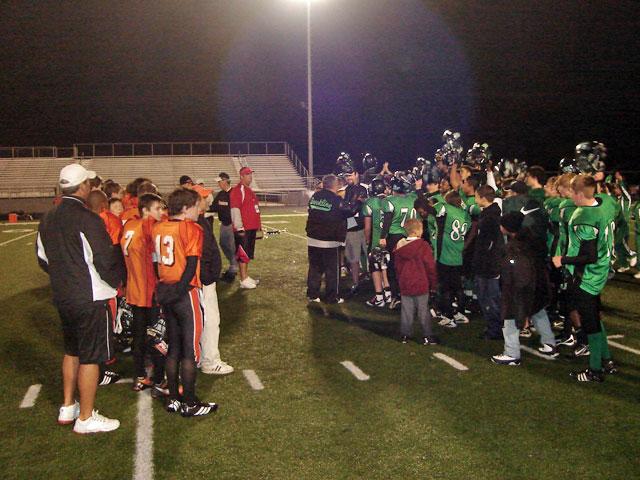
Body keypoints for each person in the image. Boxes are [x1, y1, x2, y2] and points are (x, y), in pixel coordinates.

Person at [36, 163, 122, 434]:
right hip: (89, 296)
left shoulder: (48, 217)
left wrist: (65, 277)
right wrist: (116, 282)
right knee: (90, 356)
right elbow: (104, 260)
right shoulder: (88, 219)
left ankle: (67, 406)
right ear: (83, 186)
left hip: (64, 295)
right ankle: (85, 417)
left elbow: (43, 258)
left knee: (71, 350)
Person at [153, 188, 218, 416]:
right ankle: (190, 403)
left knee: (174, 348)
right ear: (184, 208)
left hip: (166, 289)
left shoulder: (158, 227)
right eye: (194, 207)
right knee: (189, 350)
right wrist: (180, 290)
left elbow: (155, 262)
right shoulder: (191, 229)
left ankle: (174, 398)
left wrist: (167, 289)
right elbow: (191, 265)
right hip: (185, 292)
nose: (197, 211)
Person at [552, 175, 617, 382]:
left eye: (573, 193)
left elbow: (589, 256)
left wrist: (562, 259)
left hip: (587, 275)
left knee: (591, 324)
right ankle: (607, 360)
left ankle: (595, 370)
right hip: (601, 271)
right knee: (595, 317)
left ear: (579, 194)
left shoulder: (583, 215)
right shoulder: (606, 204)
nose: (570, 197)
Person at [491, 212, 558, 365]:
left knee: (510, 318)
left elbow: (518, 276)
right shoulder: (533, 238)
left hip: (522, 288)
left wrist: (521, 308)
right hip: (539, 284)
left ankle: (512, 353)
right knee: (538, 311)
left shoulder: (515, 248)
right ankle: (549, 343)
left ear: (508, 228)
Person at [121, 193, 168, 395]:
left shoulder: (129, 225)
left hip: (134, 289)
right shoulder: (149, 225)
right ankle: (158, 379)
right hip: (149, 290)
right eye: (157, 208)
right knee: (157, 336)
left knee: (139, 337)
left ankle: (140, 376)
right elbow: (157, 259)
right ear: (145, 210)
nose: (161, 212)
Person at [196, 195, 233, 375]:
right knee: (210, 320)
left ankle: (201, 356)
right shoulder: (197, 224)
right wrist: (208, 277)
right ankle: (209, 361)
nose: (209, 199)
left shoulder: (199, 221)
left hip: (201, 281)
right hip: (203, 281)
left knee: (204, 320)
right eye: (204, 197)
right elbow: (202, 255)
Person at [305, 174, 351, 304]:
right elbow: (348, 211)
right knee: (332, 271)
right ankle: (332, 297)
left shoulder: (315, 196)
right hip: (329, 240)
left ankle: (312, 294)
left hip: (313, 238)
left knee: (314, 268)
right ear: (334, 185)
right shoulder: (336, 199)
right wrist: (359, 202)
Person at [394, 219, 439, 345]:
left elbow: (396, 267)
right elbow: (430, 266)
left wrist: (400, 280)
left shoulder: (400, 245)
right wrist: (433, 283)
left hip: (405, 282)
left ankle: (405, 335)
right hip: (421, 282)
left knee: (406, 310)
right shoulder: (423, 246)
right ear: (418, 231)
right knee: (423, 310)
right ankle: (427, 336)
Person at [432, 190, 471, 328]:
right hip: (458, 254)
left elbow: (430, 210)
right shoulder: (465, 214)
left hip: (445, 255)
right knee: (457, 286)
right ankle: (460, 313)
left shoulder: (445, 208)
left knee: (445, 287)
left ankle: (448, 316)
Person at [473, 185, 505, 340]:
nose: (475, 199)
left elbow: (492, 244)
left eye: (476, 196)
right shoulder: (488, 214)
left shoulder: (491, 217)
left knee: (491, 298)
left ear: (483, 198)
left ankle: (496, 329)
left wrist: (486, 260)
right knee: (486, 297)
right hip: (486, 263)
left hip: (489, 265)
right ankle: (493, 327)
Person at [230, 166, 262, 289]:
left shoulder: (248, 190)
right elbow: (235, 209)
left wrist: (258, 225)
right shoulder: (238, 190)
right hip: (243, 229)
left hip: (250, 228)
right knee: (243, 254)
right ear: (241, 176)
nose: (250, 177)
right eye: (248, 174)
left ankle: (246, 277)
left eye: (251, 174)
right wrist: (239, 227)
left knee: (247, 253)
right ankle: (243, 279)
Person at [362, 177, 392, 307]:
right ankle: (389, 294)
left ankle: (379, 297)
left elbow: (367, 227)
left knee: (375, 267)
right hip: (389, 239)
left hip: (376, 240)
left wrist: (367, 240)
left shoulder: (369, 203)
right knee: (385, 266)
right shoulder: (390, 201)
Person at [211, 172, 238, 282]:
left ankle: (233, 269)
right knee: (223, 244)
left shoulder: (234, 193)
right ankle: (233, 263)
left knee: (232, 247)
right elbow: (213, 207)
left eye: (219, 181)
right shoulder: (220, 194)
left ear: (225, 181)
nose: (218, 184)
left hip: (233, 225)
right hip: (224, 224)